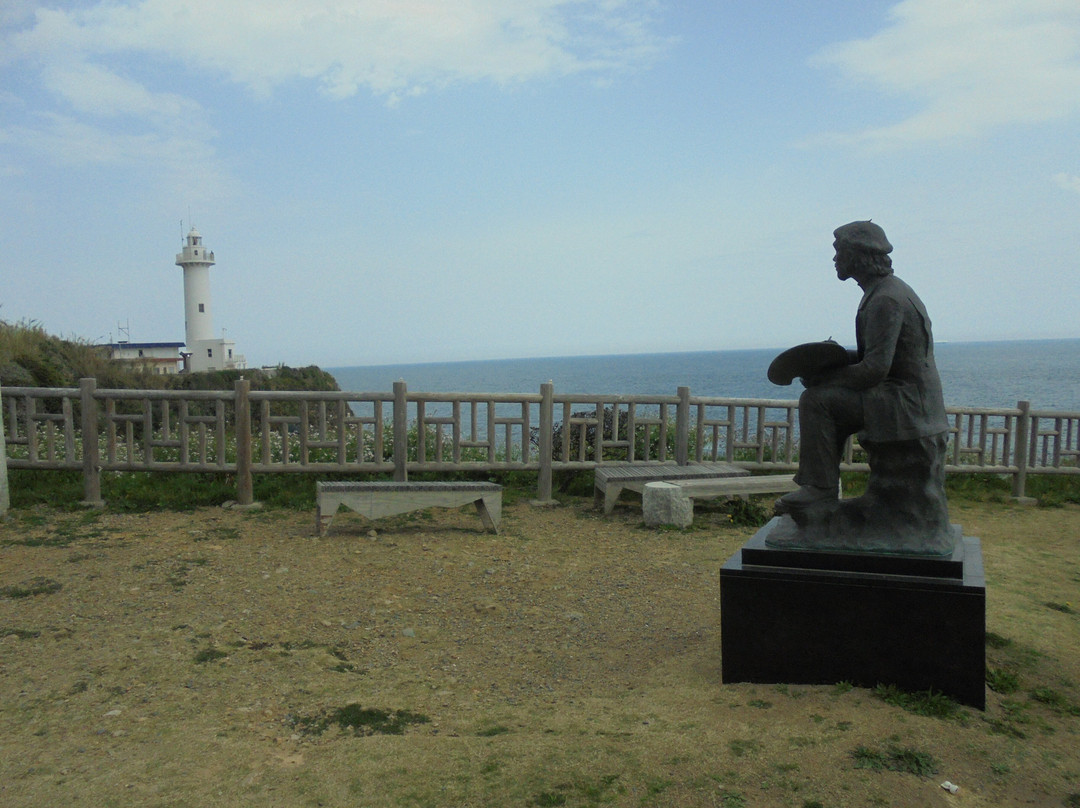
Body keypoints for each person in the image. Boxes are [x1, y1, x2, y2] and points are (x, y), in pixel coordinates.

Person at [776, 220, 949, 512]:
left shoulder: (886, 298)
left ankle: (820, 488)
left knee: (817, 402)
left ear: (857, 255)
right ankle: (821, 485)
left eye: (838, 252)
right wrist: (832, 362)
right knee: (824, 398)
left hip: (906, 403)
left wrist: (825, 380)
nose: (834, 259)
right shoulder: (885, 291)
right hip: (907, 397)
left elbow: (874, 370)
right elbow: (880, 355)